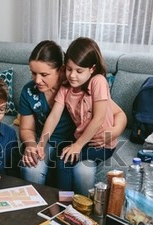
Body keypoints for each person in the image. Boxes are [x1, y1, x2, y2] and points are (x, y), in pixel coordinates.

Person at [19, 40, 127, 195]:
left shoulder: (91, 83)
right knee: (34, 168)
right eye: (33, 73)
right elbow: (47, 119)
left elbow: (114, 114)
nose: (37, 80)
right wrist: (37, 145)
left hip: (88, 142)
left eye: (44, 74)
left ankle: (77, 209)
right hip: (58, 141)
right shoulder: (60, 89)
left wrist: (113, 133)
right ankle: (42, 210)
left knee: (78, 169)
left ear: (60, 70)